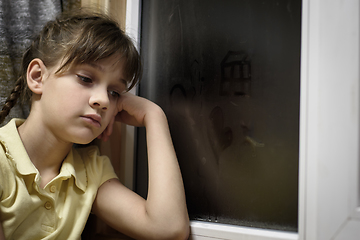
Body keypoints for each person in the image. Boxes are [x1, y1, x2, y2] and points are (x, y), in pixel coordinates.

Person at [0, 9, 189, 240]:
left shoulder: (90, 171)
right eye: (86, 79)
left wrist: (154, 116)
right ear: (38, 76)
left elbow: (168, 228)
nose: (103, 101)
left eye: (114, 92)